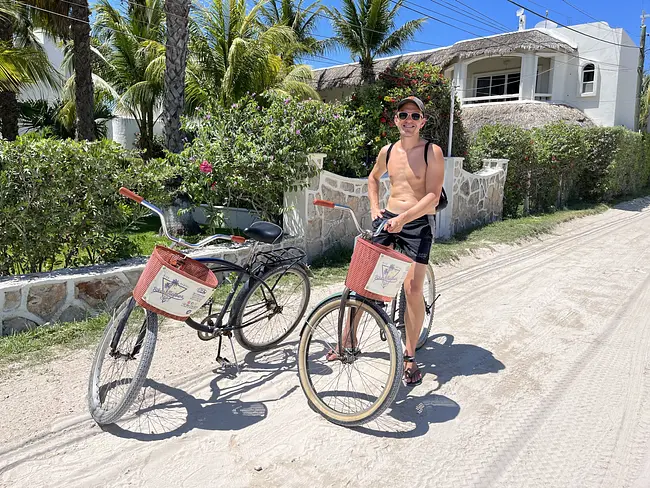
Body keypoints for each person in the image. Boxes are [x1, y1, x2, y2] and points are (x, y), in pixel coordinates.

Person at [368, 96, 445, 386]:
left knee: (413, 288)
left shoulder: (431, 151)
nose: (409, 120)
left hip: (417, 222)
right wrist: (376, 209)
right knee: (370, 281)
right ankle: (346, 341)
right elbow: (373, 179)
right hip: (389, 219)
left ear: (422, 121)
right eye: (404, 115)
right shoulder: (387, 151)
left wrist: (403, 219)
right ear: (396, 119)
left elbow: (432, 198)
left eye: (415, 116)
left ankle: (410, 355)